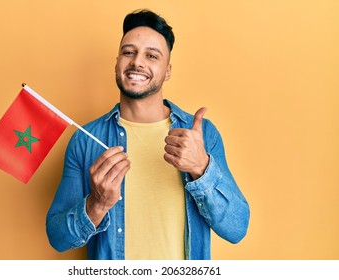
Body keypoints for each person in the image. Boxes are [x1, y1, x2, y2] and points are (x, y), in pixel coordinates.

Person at [46, 9, 250, 260]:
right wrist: (96, 205)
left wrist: (201, 167)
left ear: (167, 71)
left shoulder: (202, 136)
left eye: (152, 55)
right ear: (117, 62)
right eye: (128, 52)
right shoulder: (85, 139)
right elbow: (57, 237)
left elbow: (237, 228)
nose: (137, 62)